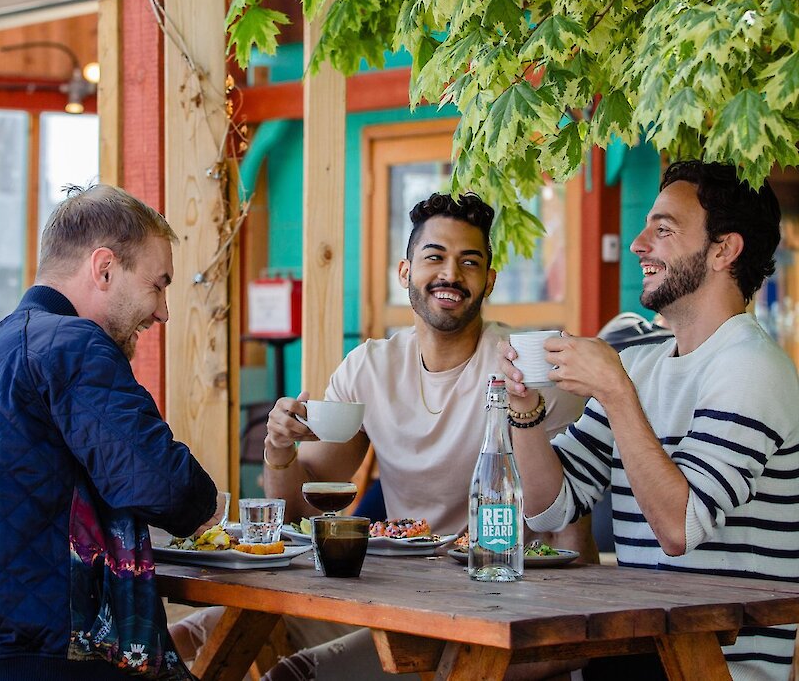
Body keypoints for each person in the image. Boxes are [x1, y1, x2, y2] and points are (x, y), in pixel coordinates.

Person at [256, 191, 594, 681]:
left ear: (490, 281)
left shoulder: (526, 369)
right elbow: (304, 502)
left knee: (294, 676)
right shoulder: (370, 367)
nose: (450, 274)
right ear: (405, 272)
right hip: (398, 598)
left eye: (469, 262)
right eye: (434, 257)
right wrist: (278, 448)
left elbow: (571, 523)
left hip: (498, 612)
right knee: (208, 634)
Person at [502, 160, 799, 681]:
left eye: (662, 230)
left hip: (714, 667)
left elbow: (679, 529)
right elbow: (549, 510)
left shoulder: (752, 367)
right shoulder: (639, 363)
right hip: (638, 653)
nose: (639, 245)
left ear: (723, 251)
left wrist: (616, 393)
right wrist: (524, 410)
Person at [0, 184, 222, 681]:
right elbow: (165, 485)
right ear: (104, 269)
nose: (163, 310)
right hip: (56, 653)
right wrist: (212, 506)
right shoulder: (71, 345)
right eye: (158, 285)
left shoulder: (8, 343)